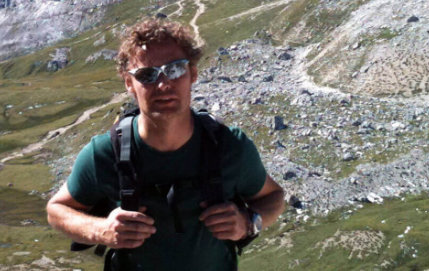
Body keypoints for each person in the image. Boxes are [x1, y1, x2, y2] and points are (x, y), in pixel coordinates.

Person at [46, 19, 284, 270]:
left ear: (192, 73)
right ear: (129, 84)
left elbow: (273, 196)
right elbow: (57, 211)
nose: (163, 84)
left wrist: (248, 224)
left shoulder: (230, 146)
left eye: (175, 69)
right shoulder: (105, 153)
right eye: (147, 75)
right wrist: (102, 230)